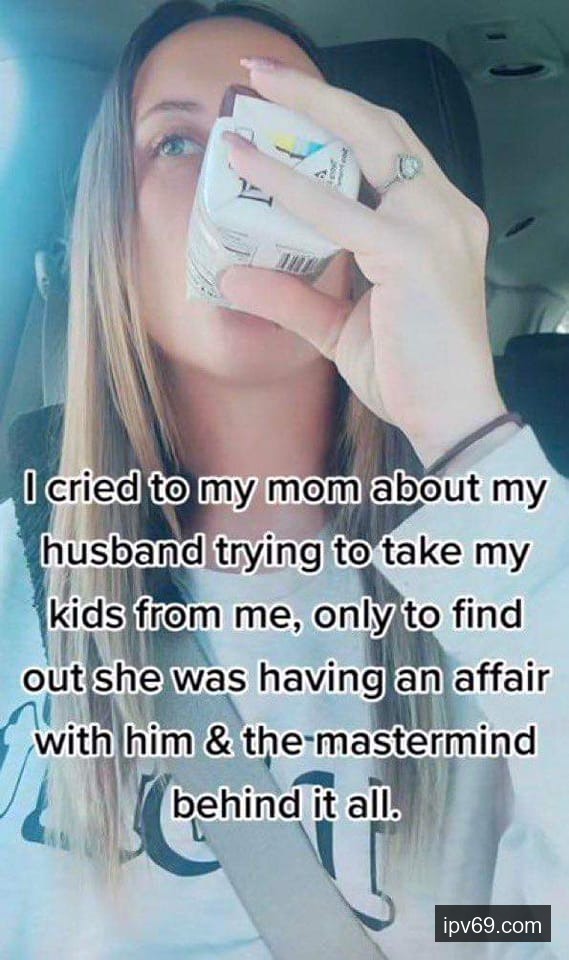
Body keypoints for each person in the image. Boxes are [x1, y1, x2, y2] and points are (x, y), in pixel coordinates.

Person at [1, 1, 568, 957]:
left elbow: (530, 925)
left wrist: (463, 431)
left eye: (292, 144)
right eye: (177, 145)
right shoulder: (16, 581)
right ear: (110, 236)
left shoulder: (503, 594)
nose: (241, 180)